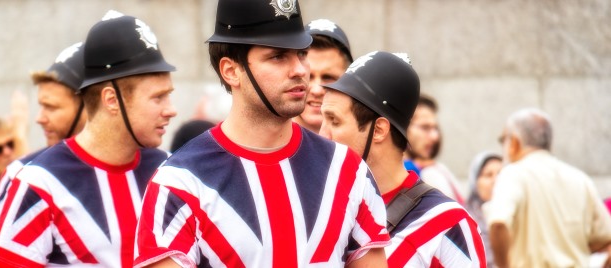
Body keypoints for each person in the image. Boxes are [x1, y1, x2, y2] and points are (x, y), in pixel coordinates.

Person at [133, 0, 390, 267]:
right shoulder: (180, 182)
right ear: (231, 71)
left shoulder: (348, 170)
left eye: (301, 53)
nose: (300, 69)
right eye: (278, 56)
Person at [0, 11, 177, 267]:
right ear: (111, 99)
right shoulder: (40, 182)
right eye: (157, 97)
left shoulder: (169, 171)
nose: (170, 109)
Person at [320, 51, 486, 267]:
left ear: (379, 130)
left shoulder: (446, 224)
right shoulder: (321, 205)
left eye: (334, 121)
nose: (322, 134)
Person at [0, 42, 87, 244]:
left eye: (51, 107)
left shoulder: (148, 166)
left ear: (90, 105)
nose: (39, 118)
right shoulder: (19, 174)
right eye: (41, 106)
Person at [487, 108, 611, 267]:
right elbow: (606, 240)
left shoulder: (513, 174)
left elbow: (498, 223)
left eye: (503, 139)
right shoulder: (580, 179)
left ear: (515, 143)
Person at [293, 18, 352, 133]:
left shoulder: (361, 148)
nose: (317, 90)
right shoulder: (264, 145)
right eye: (308, 76)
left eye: (328, 78)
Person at [404, 94, 465, 204]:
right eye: (425, 127)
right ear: (402, 126)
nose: (435, 137)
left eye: (435, 128)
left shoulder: (435, 170)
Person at [465, 152, 502, 268]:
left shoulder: (519, 215)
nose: (496, 180)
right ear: (475, 182)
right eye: (488, 175)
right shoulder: (465, 220)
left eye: (501, 174)